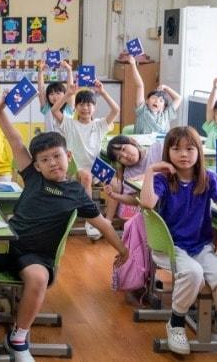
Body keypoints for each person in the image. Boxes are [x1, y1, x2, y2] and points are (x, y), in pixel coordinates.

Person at [0, 95, 127, 362]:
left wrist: (123, 250)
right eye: (45, 160)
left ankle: (18, 338)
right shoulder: (32, 176)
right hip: (8, 242)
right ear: (37, 165)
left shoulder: (76, 192)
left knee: (39, 278)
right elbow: (14, 140)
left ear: (68, 156)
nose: (52, 163)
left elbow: (101, 222)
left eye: (57, 156)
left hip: (37, 256)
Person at [139, 126, 217, 354]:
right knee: (193, 274)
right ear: (167, 152)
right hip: (172, 247)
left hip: (200, 247)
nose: (183, 154)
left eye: (190, 148)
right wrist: (150, 172)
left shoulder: (208, 178)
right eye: (176, 149)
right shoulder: (164, 179)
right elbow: (147, 204)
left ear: (199, 151)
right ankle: (176, 323)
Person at [51, 80, 119, 239]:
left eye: (89, 104)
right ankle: (92, 219)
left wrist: (103, 92)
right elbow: (54, 110)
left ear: (94, 107)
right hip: (76, 169)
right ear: (76, 107)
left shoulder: (99, 125)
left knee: (116, 184)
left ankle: (106, 222)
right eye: (81, 104)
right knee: (86, 177)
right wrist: (68, 94)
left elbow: (116, 109)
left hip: (96, 168)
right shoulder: (69, 124)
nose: (85, 108)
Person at [103, 136, 164, 220]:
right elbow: (135, 200)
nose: (125, 156)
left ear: (132, 142)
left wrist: (149, 175)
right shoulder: (129, 174)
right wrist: (113, 195)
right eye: (120, 158)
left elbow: (176, 170)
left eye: (123, 149)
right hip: (155, 212)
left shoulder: (158, 149)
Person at [126, 55, 182, 134]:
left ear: (164, 107)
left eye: (161, 101)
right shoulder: (142, 110)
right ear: (146, 101)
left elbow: (178, 98)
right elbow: (140, 85)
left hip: (160, 145)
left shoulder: (166, 115)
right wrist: (133, 65)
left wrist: (166, 88)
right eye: (154, 98)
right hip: (141, 145)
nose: (157, 101)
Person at [37, 60, 74, 133]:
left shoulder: (68, 108)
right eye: (51, 94)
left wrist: (69, 70)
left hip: (66, 143)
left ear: (65, 94)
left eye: (58, 93)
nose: (55, 96)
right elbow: (41, 90)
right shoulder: (46, 108)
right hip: (50, 142)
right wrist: (40, 72)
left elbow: (70, 88)